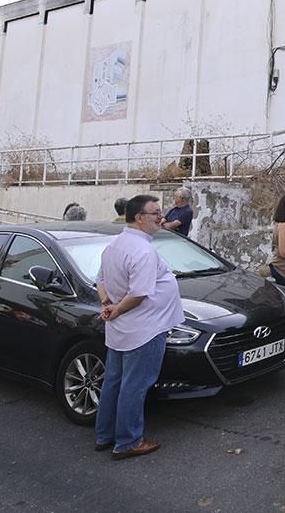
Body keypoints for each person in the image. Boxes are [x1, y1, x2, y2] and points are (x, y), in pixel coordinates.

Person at [95, 195, 184, 459]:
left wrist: (107, 304)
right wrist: (117, 308)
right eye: (155, 213)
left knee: (114, 382)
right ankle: (128, 441)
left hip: (122, 329)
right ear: (139, 218)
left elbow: (100, 281)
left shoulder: (114, 246)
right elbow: (139, 294)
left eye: (161, 212)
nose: (161, 217)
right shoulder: (142, 250)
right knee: (135, 385)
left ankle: (105, 435)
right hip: (144, 329)